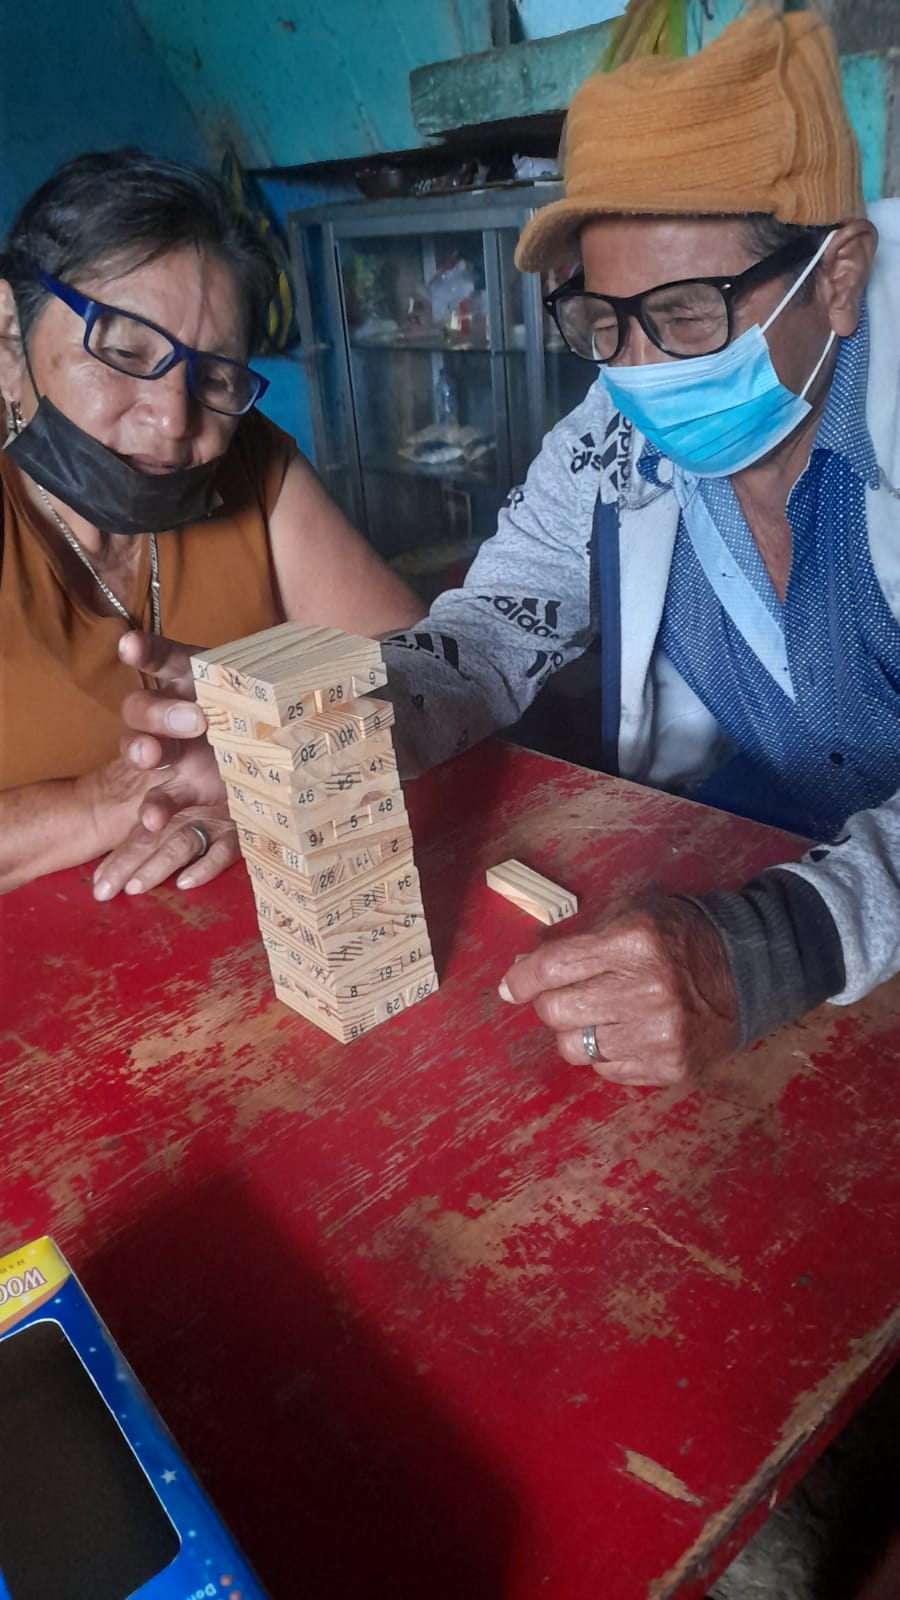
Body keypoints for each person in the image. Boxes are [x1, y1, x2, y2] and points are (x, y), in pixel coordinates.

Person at [104, 8, 900, 1086]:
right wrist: (326, 729)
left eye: (686, 314)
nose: (640, 370)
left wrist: (783, 944)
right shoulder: (619, 434)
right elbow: (490, 632)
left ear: (838, 275)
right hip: (748, 855)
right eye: (604, 320)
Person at [0, 150, 422, 895]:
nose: (173, 420)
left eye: (216, 376)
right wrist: (105, 803)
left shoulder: (251, 462)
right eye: (124, 352)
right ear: (8, 337)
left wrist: (270, 757)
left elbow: (418, 667)